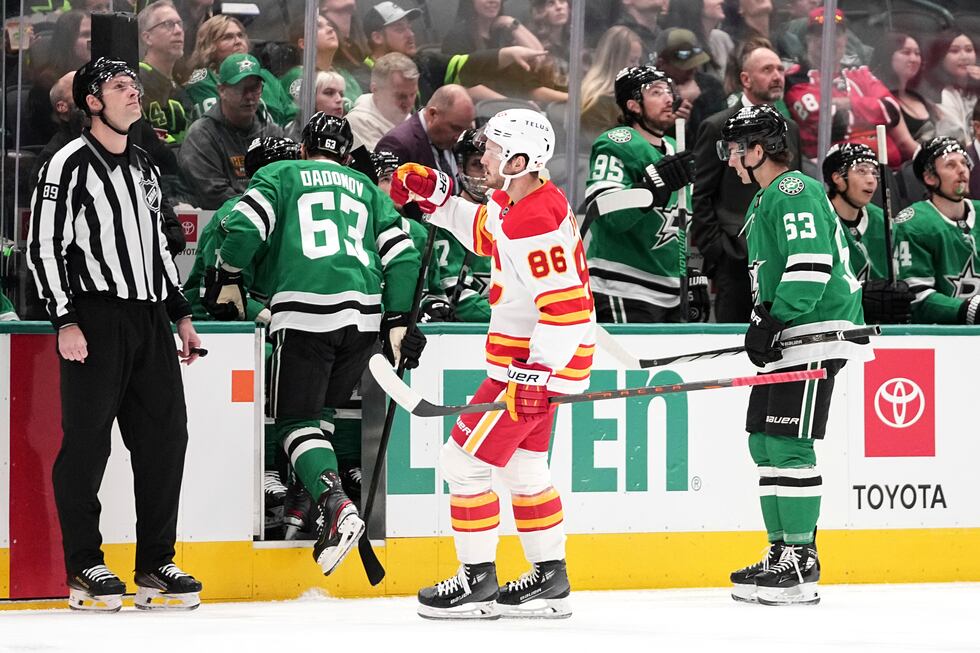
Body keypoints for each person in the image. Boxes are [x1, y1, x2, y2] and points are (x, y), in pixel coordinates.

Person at [390, 108, 593, 619]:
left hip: (526, 368)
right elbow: (487, 231)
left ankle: (476, 581)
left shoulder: (536, 218)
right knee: (524, 468)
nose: (483, 157)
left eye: (495, 151)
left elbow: (566, 310)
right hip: (535, 366)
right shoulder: (518, 201)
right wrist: (436, 202)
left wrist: (535, 373)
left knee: (463, 463)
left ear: (521, 160)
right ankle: (550, 578)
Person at [205, 113, 424, 575]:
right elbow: (403, 253)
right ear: (347, 156)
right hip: (362, 321)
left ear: (303, 149)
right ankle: (323, 510)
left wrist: (227, 274)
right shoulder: (364, 186)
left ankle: (335, 504)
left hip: (305, 312)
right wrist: (400, 318)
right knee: (320, 416)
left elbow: (243, 228)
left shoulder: (281, 174)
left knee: (293, 422)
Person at [26, 57, 203, 612]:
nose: (135, 95)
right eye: (120, 87)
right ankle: (84, 565)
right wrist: (66, 320)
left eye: (137, 86)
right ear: (92, 101)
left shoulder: (146, 166)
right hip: (95, 319)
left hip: (149, 319)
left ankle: (155, 561)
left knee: (166, 437)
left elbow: (155, 246)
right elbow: (44, 248)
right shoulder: (66, 164)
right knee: (86, 444)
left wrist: (179, 313)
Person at [718, 103, 871, 605]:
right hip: (791, 333)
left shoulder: (792, 189)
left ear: (759, 149)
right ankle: (781, 550)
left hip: (813, 331)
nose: (732, 159)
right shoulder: (768, 199)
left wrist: (775, 316)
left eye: (738, 149)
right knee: (763, 444)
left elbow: (811, 265)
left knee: (789, 446)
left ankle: (802, 560)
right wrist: (768, 321)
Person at [583, 66, 705, 323]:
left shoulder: (674, 148)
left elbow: (680, 221)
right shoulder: (617, 142)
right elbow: (606, 213)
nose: (669, 98)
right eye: (656, 92)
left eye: (668, 91)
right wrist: (650, 188)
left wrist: (688, 276)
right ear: (634, 105)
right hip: (622, 286)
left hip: (670, 292)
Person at [693, 45, 801, 323]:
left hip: (780, 258)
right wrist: (719, 253)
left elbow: (792, 188)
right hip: (736, 259)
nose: (777, 76)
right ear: (745, 80)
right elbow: (702, 195)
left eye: (780, 69)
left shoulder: (790, 128)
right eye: (767, 70)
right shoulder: (718, 126)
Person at [784, 8, 902, 164]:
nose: (830, 40)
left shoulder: (859, 73)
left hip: (885, 169)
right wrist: (872, 118)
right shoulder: (797, 78)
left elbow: (892, 111)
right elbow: (831, 124)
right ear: (809, 39)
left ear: (845, 39)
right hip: (834, 173)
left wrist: (848, 103)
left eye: (837, 34)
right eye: (821, 34)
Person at [178, 53, 285, 209]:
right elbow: (214, 195)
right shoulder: (201, 135)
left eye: (255, 88)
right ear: (221, 90)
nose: (249, 97)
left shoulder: (272, 133)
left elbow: (285, 184)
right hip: (219, 223)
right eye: (241, 88)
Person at [822, 142, 913, 324]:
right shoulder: (819, 219)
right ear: (837, 177)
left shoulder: (884, 221)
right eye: (862, 171)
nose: (871, 179)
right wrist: (864, 294)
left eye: (874, 172)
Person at [894, 137, 980, 325]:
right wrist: (970, 310)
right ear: (930, 177)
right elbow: (917, 297)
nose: (962, 170)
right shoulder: (913, 224)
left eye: (964, 163)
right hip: (940, 338)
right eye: (950, 165)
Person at [183, 15, 296, 126]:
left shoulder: (266, 76)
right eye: (227, 37)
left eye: (240, 36)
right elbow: (223, 126)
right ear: (209, 45)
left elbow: (292, 117)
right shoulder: (204, 81)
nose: (238, 41)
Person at [376, 84, 476, 184]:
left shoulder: (453, 140)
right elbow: (387, 196)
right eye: (455, 128)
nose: (458, 136)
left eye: (465, 129)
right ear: (433, 114)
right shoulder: (397, 145)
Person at [138, 0, 193, 143]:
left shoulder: (179, 89)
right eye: (168, 24)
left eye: (179, 24)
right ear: (147, 37)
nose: (178, 31)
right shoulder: (135, 79)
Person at [870, 32, 938, 148]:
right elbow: (904, 145)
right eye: (906, 52)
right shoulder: (880, 99)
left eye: (917, 53)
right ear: (888, 55)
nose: (914, 59)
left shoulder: (922, 97)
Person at [580, 26, 644, 144]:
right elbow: (606, 147)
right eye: (632, 61)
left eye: (638, 61)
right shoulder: (598, 102)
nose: (638, 68)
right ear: (614, 61)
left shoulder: (628, 95)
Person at [346, 52, 419, 150]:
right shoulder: (357, 123)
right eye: (401, 96)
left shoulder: (411, 121)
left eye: (413, 94)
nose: (409, 102)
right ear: (375, 89)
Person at [923, 31, 980, 146]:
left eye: (969, 50)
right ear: (941, 57)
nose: (964, 57)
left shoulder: (976, 89)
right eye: (954, 51)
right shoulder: (937, 95)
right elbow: (957, 137)